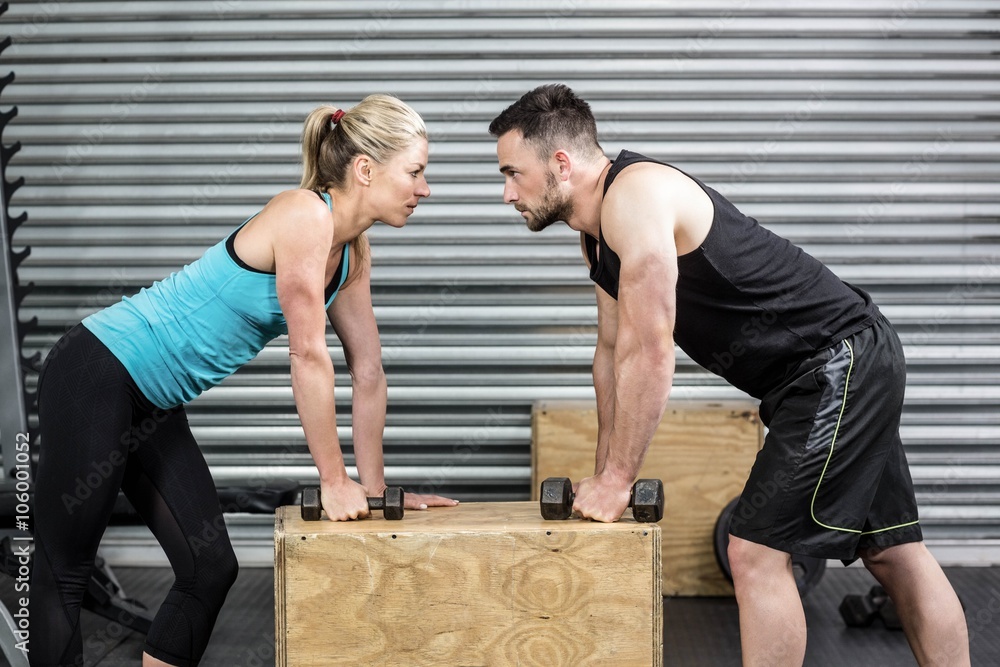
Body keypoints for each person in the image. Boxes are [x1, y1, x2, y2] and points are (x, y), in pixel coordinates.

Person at [488, 84, 969, 666]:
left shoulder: (634, 200)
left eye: (513, 173)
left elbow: (650, 353)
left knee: (754, 552)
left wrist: (619, 480)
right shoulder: (597, 240)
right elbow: (612, 357)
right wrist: (602, 479)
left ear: (560, 164)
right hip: (836, 365)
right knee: (893, 550)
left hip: (836, 362)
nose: (507, 193)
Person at [31, 94, 457, 667]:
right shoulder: (305, 215)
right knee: (64, 569)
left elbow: (369, 372)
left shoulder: (352, 254)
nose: (424, 188)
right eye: (416, 171)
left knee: (211, 568)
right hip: (96, 369)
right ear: (365, 170)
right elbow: (308, 355)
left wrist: (376, 493)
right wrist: (334, 480)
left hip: (150, 400)